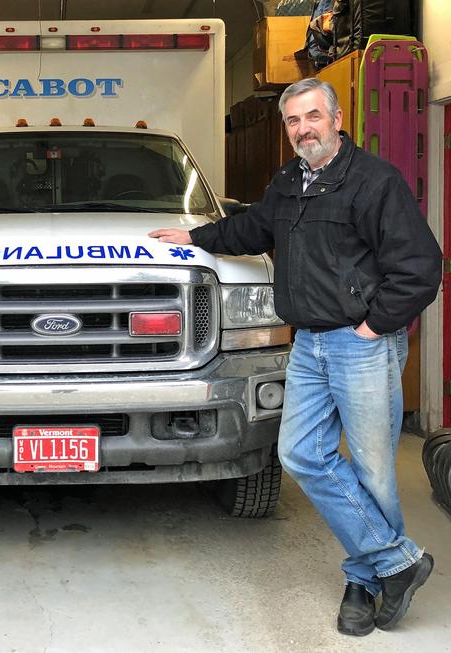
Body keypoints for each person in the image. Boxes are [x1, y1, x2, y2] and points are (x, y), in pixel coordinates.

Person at [149, 78, 441, 636]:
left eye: (312, 117)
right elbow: (255, 226)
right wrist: (195, 238)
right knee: (302, 453)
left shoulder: (375, 182)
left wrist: (372, 326)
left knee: (374, 469)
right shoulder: (289, 181)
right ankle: (397, 561)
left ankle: (366, 578)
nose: (302, 129)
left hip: (361, 346)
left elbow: (422, 265)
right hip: (308, 343)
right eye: (292, 121)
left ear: (335, 119)